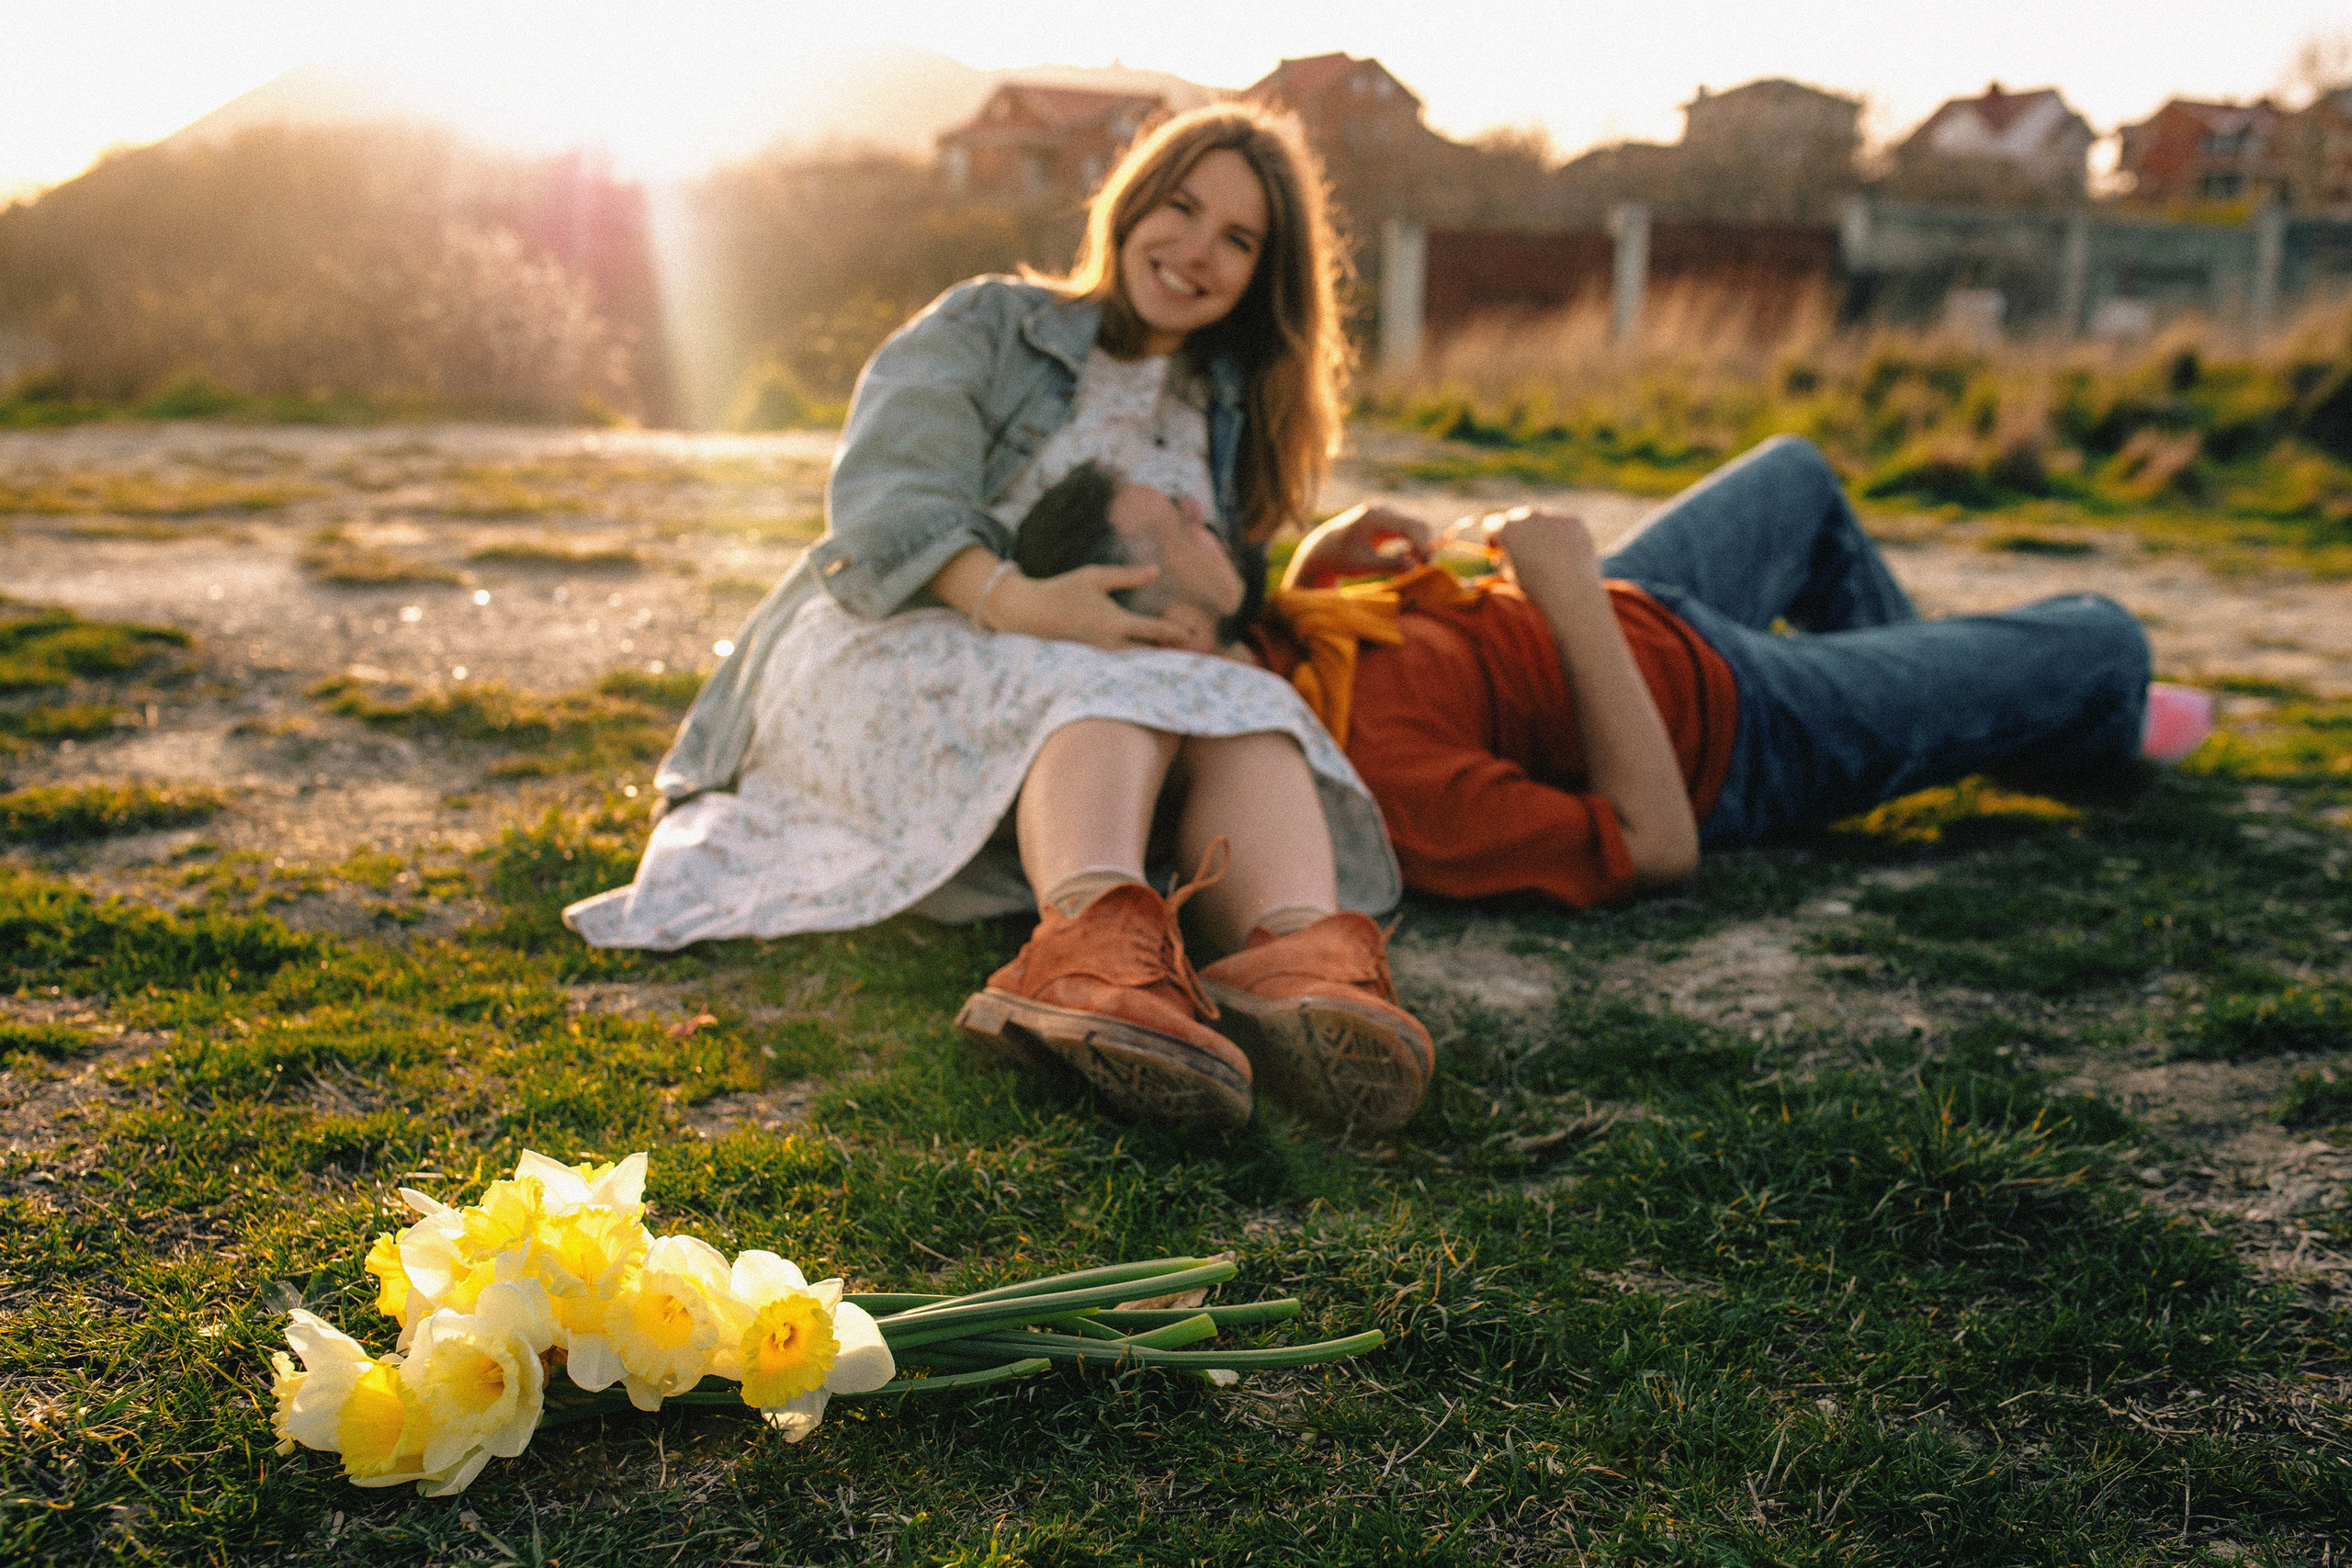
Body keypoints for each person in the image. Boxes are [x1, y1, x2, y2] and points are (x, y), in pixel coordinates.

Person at [565, 105, 1434, 1135]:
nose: (1197, 250)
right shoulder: (988, 323)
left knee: (1246, 702)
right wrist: (1021, 602)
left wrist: (1303, 562)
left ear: (1264, 271)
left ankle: (1297, 967)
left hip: (1110, 682)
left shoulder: (1229, 396)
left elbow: (1213, 576)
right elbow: (888, 505)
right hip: (914, 632)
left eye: (1238, 239)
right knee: (1116, 684)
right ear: (1132, 200)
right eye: (1183, 207)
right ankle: (1085, 952)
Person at [1258, 435, 2200, 907]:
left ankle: (1938, 709)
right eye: (1177, 524)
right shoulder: (1375, 775)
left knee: (1795, 472)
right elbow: (1654, 841)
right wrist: (1573, 597)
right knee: (2104, 638)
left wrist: (1314, 576)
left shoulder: (1271, 635)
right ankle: (2070, 722)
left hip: (1648, 606)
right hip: (1732, 728)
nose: (1205, 515)